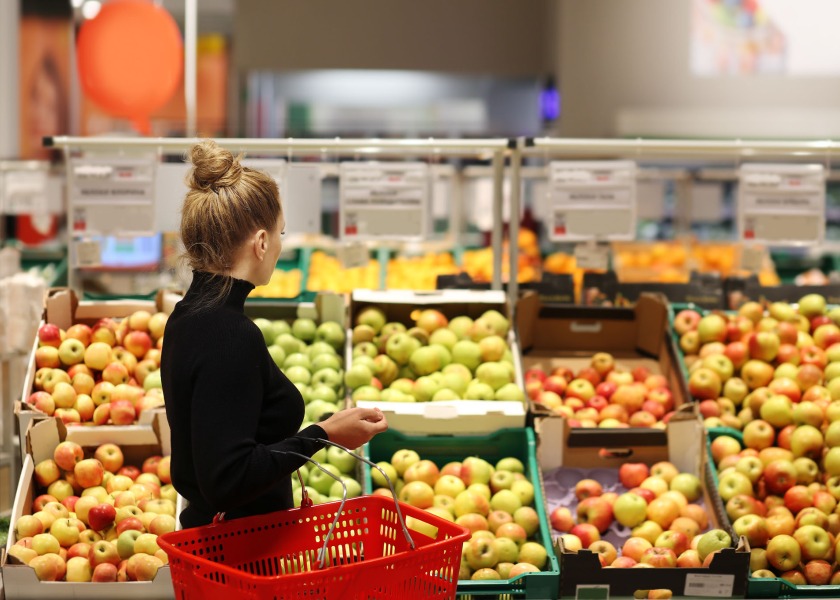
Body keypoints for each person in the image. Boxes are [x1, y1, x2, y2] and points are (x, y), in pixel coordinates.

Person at [161, 140, 388, 529]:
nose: (281, 246)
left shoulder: (187, 316)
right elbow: (227, 479)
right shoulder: (230, 335)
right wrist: (323, 434)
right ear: (262, 242)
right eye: (281, 233)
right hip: (238, 557)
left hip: (214, 539)